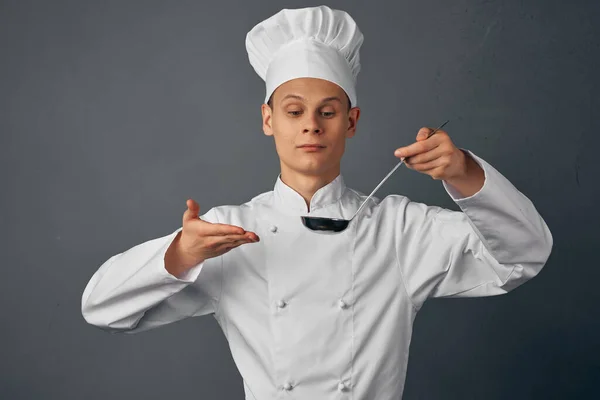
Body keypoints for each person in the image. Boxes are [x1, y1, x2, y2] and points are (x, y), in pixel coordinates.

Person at [81, 5, 553, 399]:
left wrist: (464, 172)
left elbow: (521, 257)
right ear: (268, 120)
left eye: (328, 111)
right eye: (293, 111)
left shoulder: (399, 229)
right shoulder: (227, 234)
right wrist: (180, 255)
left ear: (351, 122)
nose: (311, 125)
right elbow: (102, 309)